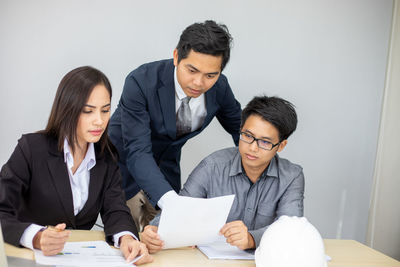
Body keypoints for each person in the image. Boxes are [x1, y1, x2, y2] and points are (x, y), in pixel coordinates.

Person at [0, 66, 152, 264]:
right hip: (25, 258)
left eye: (105, 110)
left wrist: (127, 238)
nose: (100, 121)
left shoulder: (106, 156)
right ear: (67, 110)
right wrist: (35, 237)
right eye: (88, 111)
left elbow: (115, 209)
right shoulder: (31, 149)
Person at [108, 20, 242, 231]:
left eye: (210, 75)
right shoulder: (140, 81)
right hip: (122, 169)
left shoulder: (220, 88)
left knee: (170, 244)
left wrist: (258, 164)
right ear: (176, 56)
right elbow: (138, 151)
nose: (199, 83)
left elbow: (241, 130)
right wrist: (172, 202)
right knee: (130, 245)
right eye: (192, 70)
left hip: (167, 172)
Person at [141, 95, 304, 253]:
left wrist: (251, 239)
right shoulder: (212, 166)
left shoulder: (292, 176)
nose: (253, 148)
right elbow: (180, 209)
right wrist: (155, 230)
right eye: (248, 136)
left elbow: (290, 227)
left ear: (281, 145)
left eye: (265, 142)